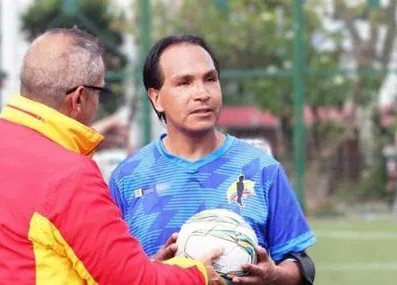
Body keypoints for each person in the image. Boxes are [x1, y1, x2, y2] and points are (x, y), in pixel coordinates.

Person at [0, 27, 226, 285]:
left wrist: (152, 265)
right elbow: (134, 281)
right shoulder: (67, 177)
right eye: (100, 92)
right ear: (80, 98)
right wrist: (198, 273)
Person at [108, 34, 316, 285]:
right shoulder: (127, 178)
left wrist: (274, 275)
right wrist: (152, 272)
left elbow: (301, 264)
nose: (202, 93)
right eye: (184, 83)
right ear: (156, 98)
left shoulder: (262, 169)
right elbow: (108, 272)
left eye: (210, 79)